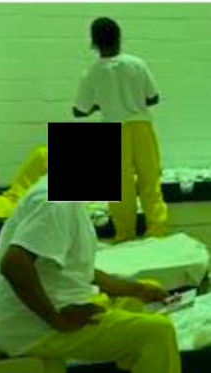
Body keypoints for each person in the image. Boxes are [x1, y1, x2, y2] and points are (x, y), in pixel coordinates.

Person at [0, 174, 207, 373]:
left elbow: (81, 271)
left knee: (137, 299)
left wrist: (138, 289)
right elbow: (14, 264)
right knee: (157, 333)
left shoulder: (65, 198)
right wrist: (57, 320)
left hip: (57, 307)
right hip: (36, 328)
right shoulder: (56, 202)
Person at [73, 17, 168, 242]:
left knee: (118, 187)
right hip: (141, 125)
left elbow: (79, 111)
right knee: (149, 180)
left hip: (112, 128)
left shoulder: (91, 73)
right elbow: (153, 98)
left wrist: (101, 104)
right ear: (119, 37)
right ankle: (157, 230)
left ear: (94, 43)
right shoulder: (138, 64)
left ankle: (125, 233)